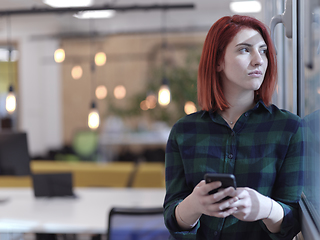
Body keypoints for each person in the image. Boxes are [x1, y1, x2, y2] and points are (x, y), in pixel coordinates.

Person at [163, 15, 303, 240]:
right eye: (245, 50)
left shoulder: (288, 128)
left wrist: (266, 208)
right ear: (218, 61)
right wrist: (194, 205)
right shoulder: (183, 132)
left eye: (263, 50)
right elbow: (173, 218)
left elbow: (293, 221)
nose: (259, 60)